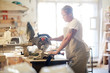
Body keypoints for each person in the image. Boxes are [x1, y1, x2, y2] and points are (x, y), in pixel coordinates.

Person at [48, 5, 90, 73]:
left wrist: (56, 51)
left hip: (79, 53)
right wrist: (52, 39)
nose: (62, 17)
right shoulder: (69, 24)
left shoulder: (75, 22)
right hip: (74, 53)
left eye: (63, 15)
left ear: (70, 14)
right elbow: (64, 37)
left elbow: (67, 38)